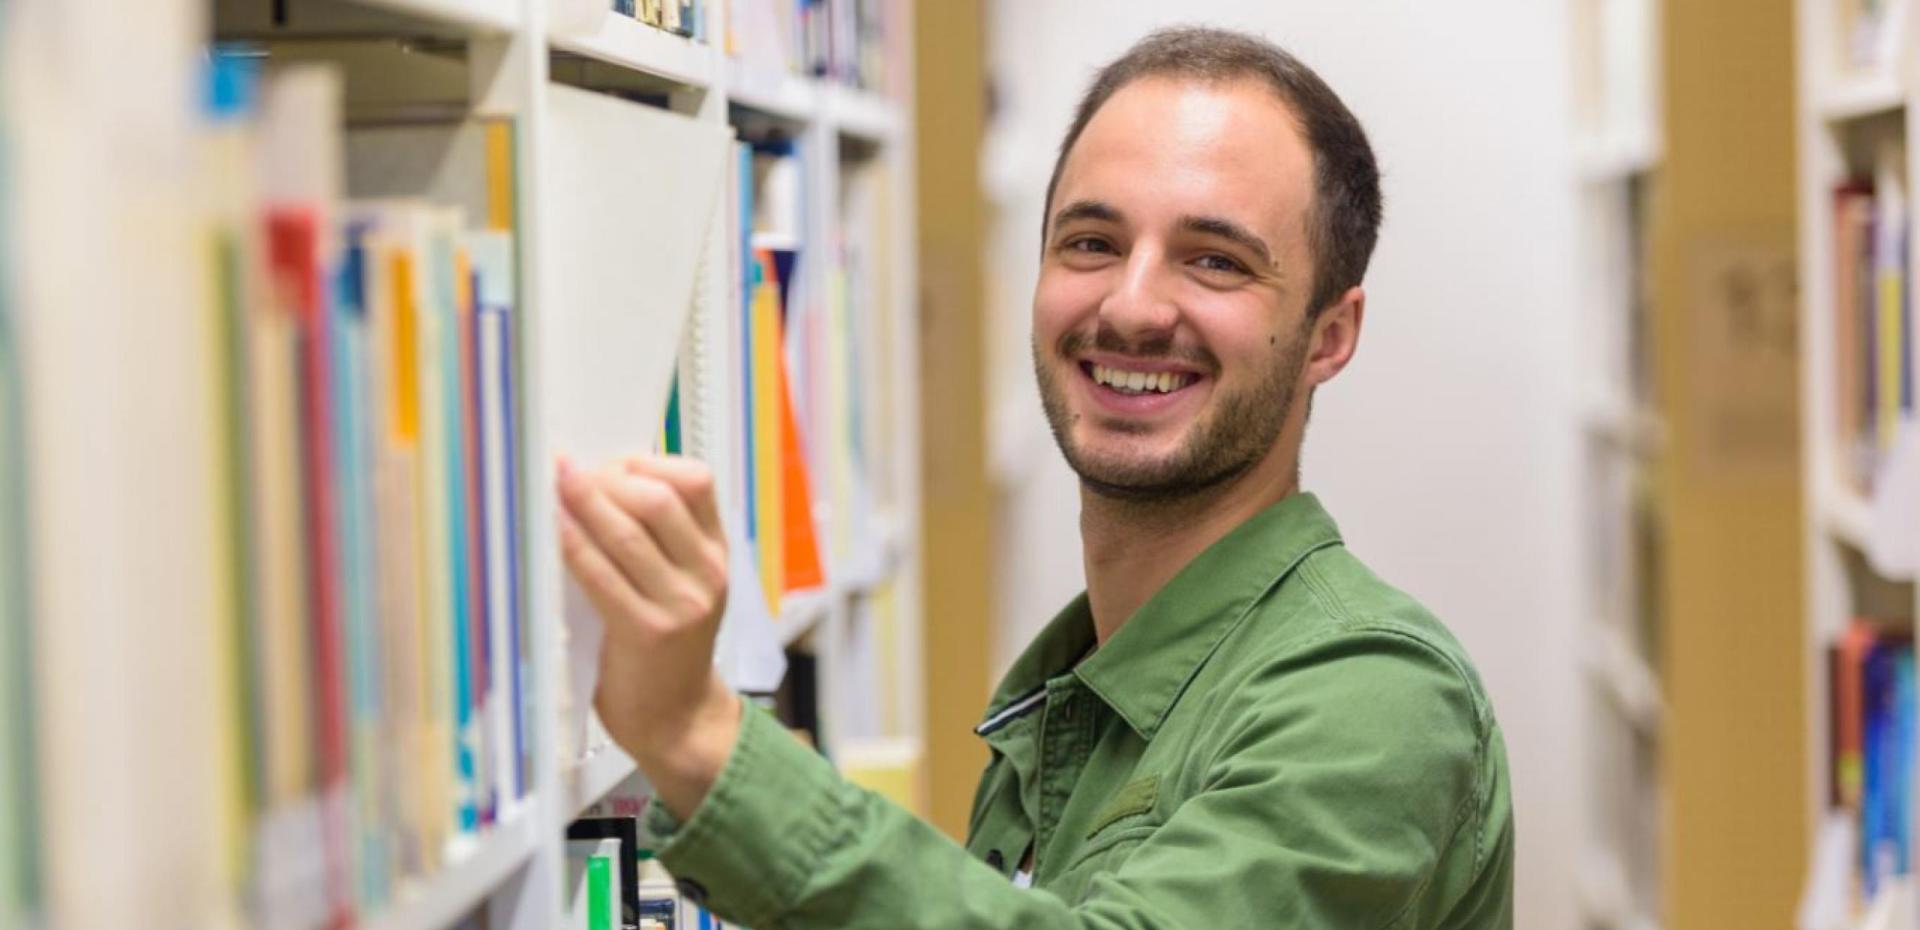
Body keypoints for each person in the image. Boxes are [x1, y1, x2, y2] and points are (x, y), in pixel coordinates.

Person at [557, 25, 1514, 929]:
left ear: (1329, 336)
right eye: (1092, 243)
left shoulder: (1377, 696)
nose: (1132, 307)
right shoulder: (1078, 688)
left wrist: (696, 735)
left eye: (1214, 261)